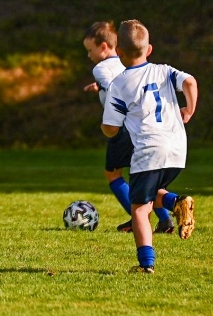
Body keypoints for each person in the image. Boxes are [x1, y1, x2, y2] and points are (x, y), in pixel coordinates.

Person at [102, 20, 198, 273]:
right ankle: (178, 201)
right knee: (151, 190)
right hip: (177, 148)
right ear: (149, 49)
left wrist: (108, 128)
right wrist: (189, 108)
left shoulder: (119, 84)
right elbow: (190, 82)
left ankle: (146, 265)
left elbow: (111, 128)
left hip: (148, 149)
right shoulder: (165, 71)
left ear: (118, 51)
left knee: (140, 210)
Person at [83, 20, 173, 235]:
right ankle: (166, 218)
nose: (89, 55)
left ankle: (138, 218)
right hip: (142, 125)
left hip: (121, 126)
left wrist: (104, 87)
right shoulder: (126, 62)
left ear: (104, 47)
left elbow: (116, 85)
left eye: (90, 50)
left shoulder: (101, 68)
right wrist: (100, 89)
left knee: (113, 174)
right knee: (142, 177)